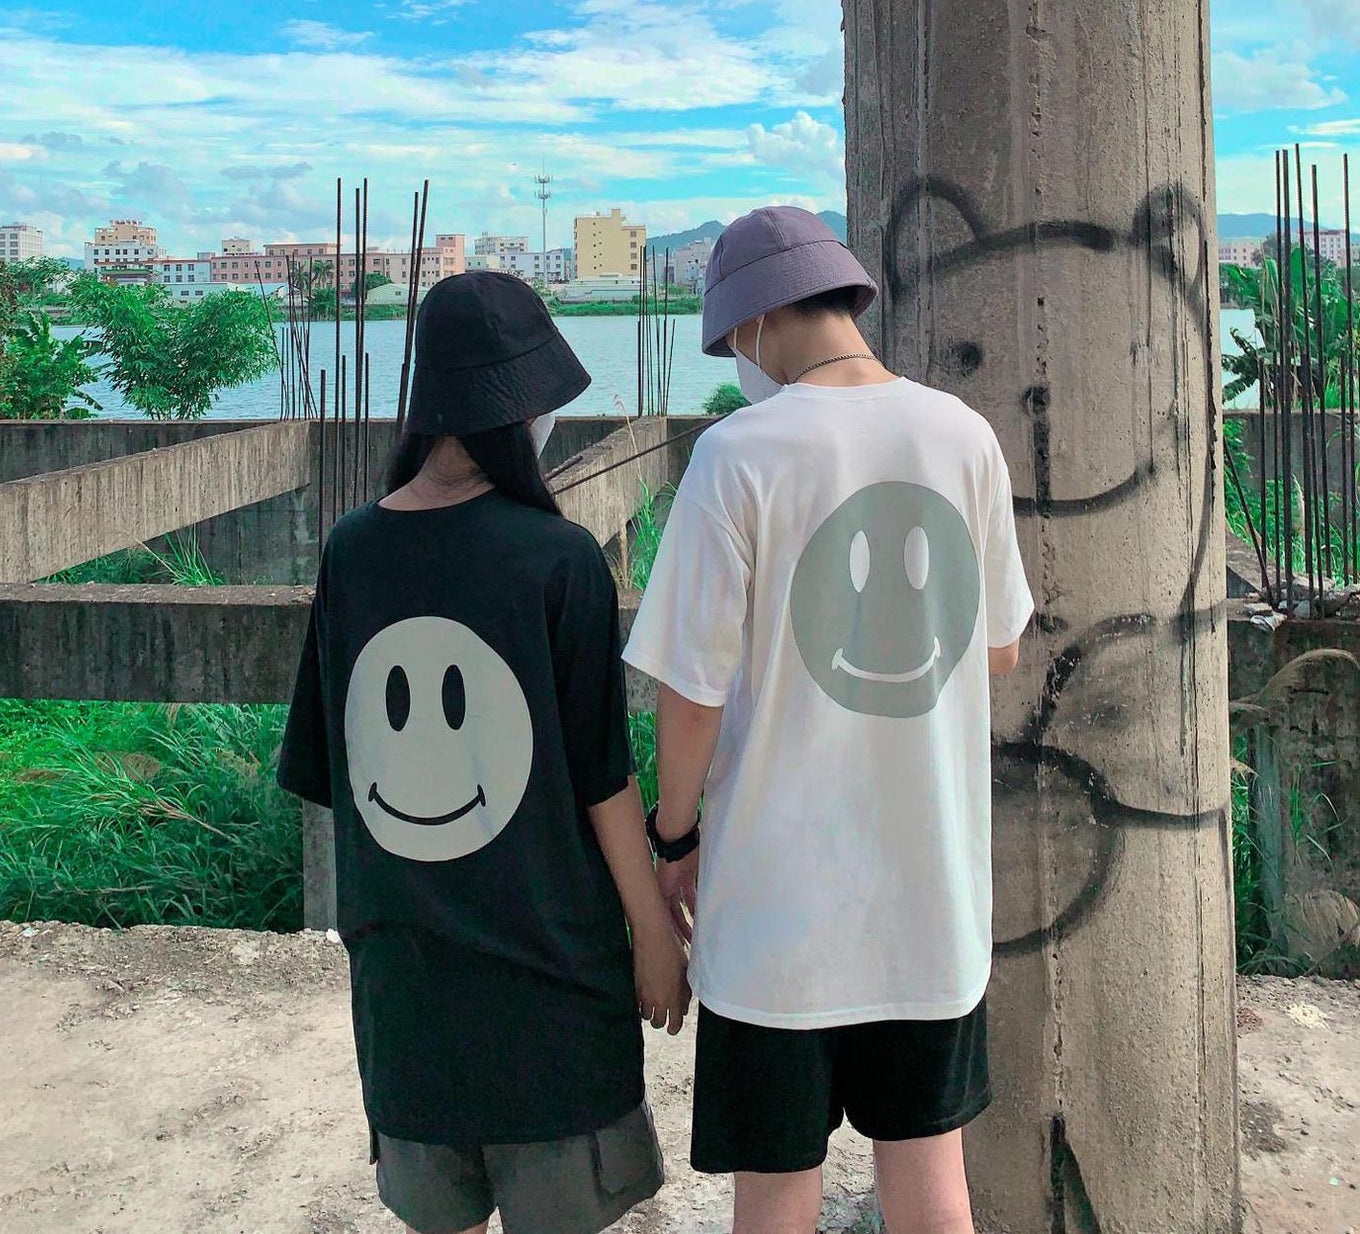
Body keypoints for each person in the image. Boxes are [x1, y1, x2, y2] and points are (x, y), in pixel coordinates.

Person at [624, 206, 1034, 1234]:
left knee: (774, 1193)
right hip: (928, 906)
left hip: (775, 920)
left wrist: (674, 836)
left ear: (753, 321)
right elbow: (997, 646)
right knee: (929, 1180)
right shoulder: (961, 435)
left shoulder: (737, 455)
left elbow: (691, 691)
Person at [278, 271, 689, 1234]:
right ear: (523, 411)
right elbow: (605, 780)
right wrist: (655, 935)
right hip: (553, 993)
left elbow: (336, 774)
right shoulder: (559, 559)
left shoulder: (351, 551)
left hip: (405, 1004)